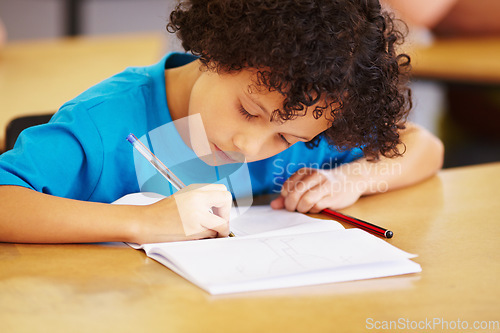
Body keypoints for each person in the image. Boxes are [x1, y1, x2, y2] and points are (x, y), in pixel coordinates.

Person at [0, 0, 443, 244]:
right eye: (248, 111)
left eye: (285, 137)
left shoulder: (308, 122)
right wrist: (142, 223)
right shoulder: (106, 121)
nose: (250, 145)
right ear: (216, 51)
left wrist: (358, 178)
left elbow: (425, 146)